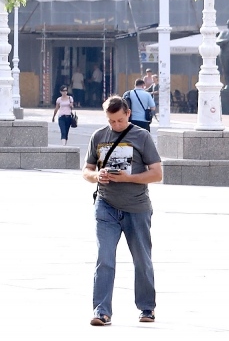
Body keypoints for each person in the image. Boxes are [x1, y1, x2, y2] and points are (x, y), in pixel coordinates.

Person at [84, 96, 163, 326]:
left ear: (128, 114)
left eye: (119, 120)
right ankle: (102, 311)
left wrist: (130, 178)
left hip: (136, 207)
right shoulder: (98, 136)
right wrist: (96, 176)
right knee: (104, 258)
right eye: (111, 121)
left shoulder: (142, 136)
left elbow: (157, 173)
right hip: (106, 205)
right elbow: (86, 169)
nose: (115, 125)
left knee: (142, 259)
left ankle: (147, 308)